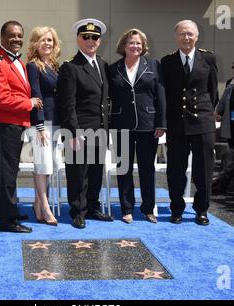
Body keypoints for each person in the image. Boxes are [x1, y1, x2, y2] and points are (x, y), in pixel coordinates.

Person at [0, 21, 43, 233]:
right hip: (4, 125)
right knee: (7, 173)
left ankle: (8, 212)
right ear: (2, 37)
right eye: (12, 35)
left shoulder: (17, 61)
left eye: (20, 35)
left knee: (10, 171)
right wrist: (29, 103)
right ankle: (7, 222)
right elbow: (2, 99)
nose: (17, 39)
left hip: (16, 123)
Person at [57, 18, 113, 229]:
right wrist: (73, 132)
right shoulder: (71, 67)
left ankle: (92, 206)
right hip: (79, 130)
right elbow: (67, 105)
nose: (91, 41)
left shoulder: (102, 64)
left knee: (96, 171)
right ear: (79, 39)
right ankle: (77, 211)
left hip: (100, 130)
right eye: (86, 37)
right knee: (78, 173)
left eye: (95, 37)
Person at [161, 20, 218, 226]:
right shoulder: (167, 62)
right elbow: (165, 93)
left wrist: (206, 112)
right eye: (182, 34)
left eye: (190, 34)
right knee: (176, 169)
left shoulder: (208, 58)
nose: (186, 38)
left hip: (203, 122)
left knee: (204, 170)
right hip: (177, 124)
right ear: (176, 36)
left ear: (197, 36)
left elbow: (213, 92)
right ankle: (176, 209)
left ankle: (201, 210)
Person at [109, 28, 166, 224]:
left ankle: (148, 209)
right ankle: (126, 208)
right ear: (123, 46)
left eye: (139, 43)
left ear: (143, 47)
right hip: (120, 125)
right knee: (123, 168)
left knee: (146, 169)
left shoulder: (153, 65)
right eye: (131, 43)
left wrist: (161, 123)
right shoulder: (113, 68)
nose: (135, 46)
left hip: (148, 125)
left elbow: (161, 97)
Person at [26, 26, 61, 226]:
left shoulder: (54, 66)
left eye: (50, 40)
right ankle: (46, 208)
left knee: (48, 166)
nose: (47, 44)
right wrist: (39, 126)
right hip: (42, 123)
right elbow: (35, 95)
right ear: (35, 44)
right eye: (42, 40)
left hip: (55, 121)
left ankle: (38, 203)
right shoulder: (33, 66)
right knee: (42, 165)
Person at [212, 63, 234, 194]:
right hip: (231, 124)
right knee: (231, 152)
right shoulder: (230, 83)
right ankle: (224, 183)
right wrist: (217, 113)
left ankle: (224, 182)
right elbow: (223, 101)